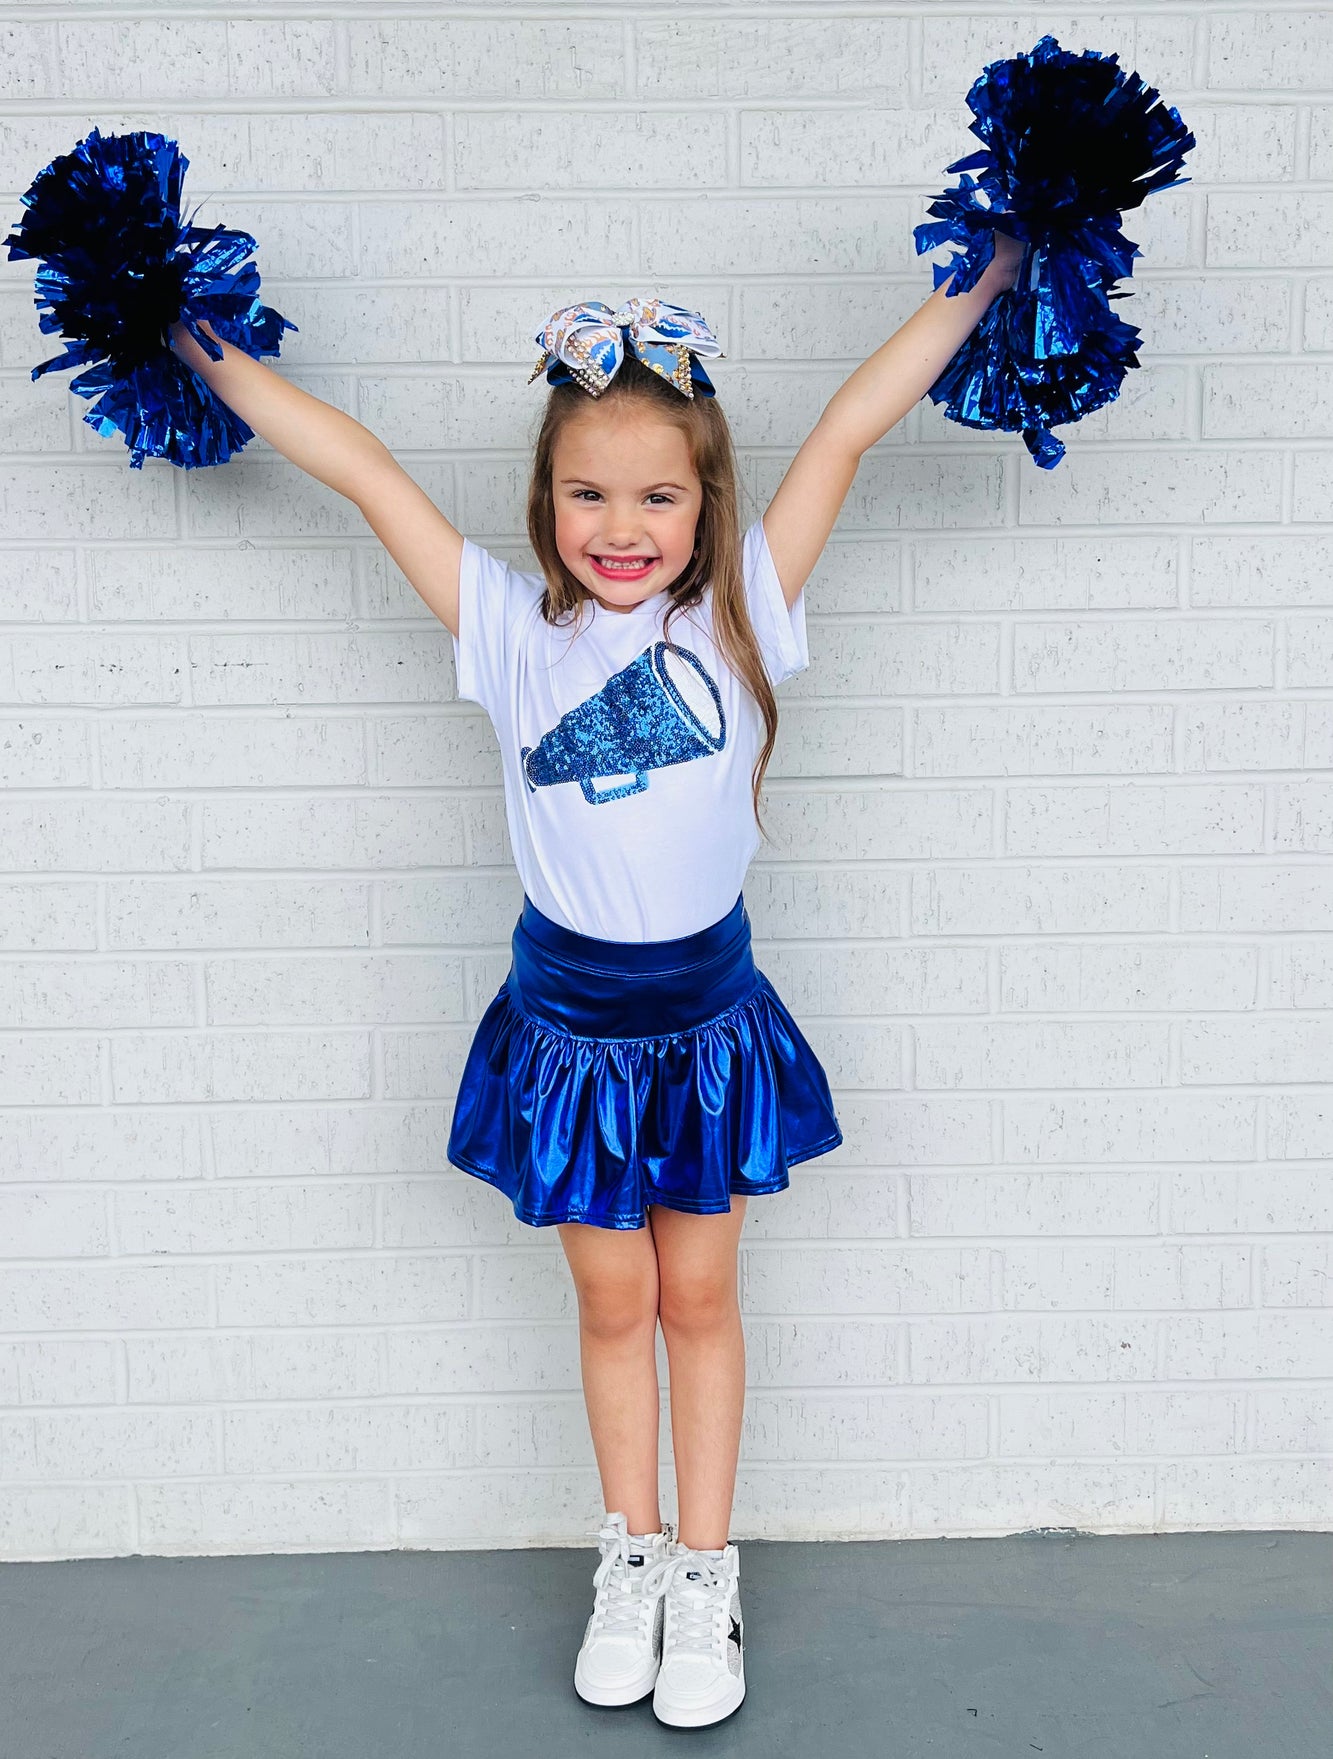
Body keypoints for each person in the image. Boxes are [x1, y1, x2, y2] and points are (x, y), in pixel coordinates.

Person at [169, 236, 1022, 1729]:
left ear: (704, 509)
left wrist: (1003, 260)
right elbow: (363, 471)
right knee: (611, 1300)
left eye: (657, 496)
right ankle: (624, 1557)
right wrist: (184, 338)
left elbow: (845, 426)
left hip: (701, 1027)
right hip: (566, 1034)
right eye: (586, 493)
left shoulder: (741, 610)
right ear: (542, 501)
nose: (619, 527)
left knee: (702, 1293)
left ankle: (707, 1574)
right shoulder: (509, 635)